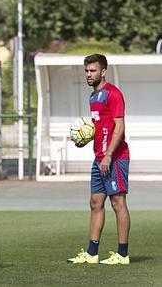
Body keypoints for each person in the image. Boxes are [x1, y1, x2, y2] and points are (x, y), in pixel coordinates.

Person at [67, 54, 131, 265]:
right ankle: (92, 253)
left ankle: (122, 255)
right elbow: (101, 128)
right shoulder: (93, 97)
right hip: (99, 158)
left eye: (92, 71)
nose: (88, 74)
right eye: (86, 71)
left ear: (103, 71)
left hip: (115, 157)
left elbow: (119, 127)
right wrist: (85, 139)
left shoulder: (113, 94)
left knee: (118, 203)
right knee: (95, 203)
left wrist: (109, 155)